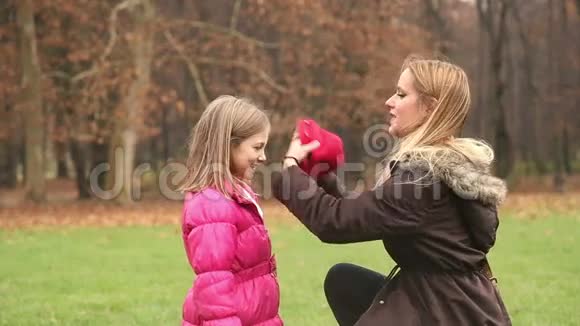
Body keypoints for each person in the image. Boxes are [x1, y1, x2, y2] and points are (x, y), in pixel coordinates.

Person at [272, 57, 512, 325]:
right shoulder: (435, 170)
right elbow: (368, 213)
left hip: (448, 313)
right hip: (447, 302)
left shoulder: (421, 180)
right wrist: (320, 176)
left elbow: (335, 223)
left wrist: (290, 170)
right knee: (345, 283)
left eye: (401, 94)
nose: (389, 101)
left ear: (429, 108)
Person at [178, 95, 283, 326]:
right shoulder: (212, 205)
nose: (263, 157)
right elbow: (213, 284)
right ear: (228, 145)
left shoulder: (235, 196)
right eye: (257, 147)